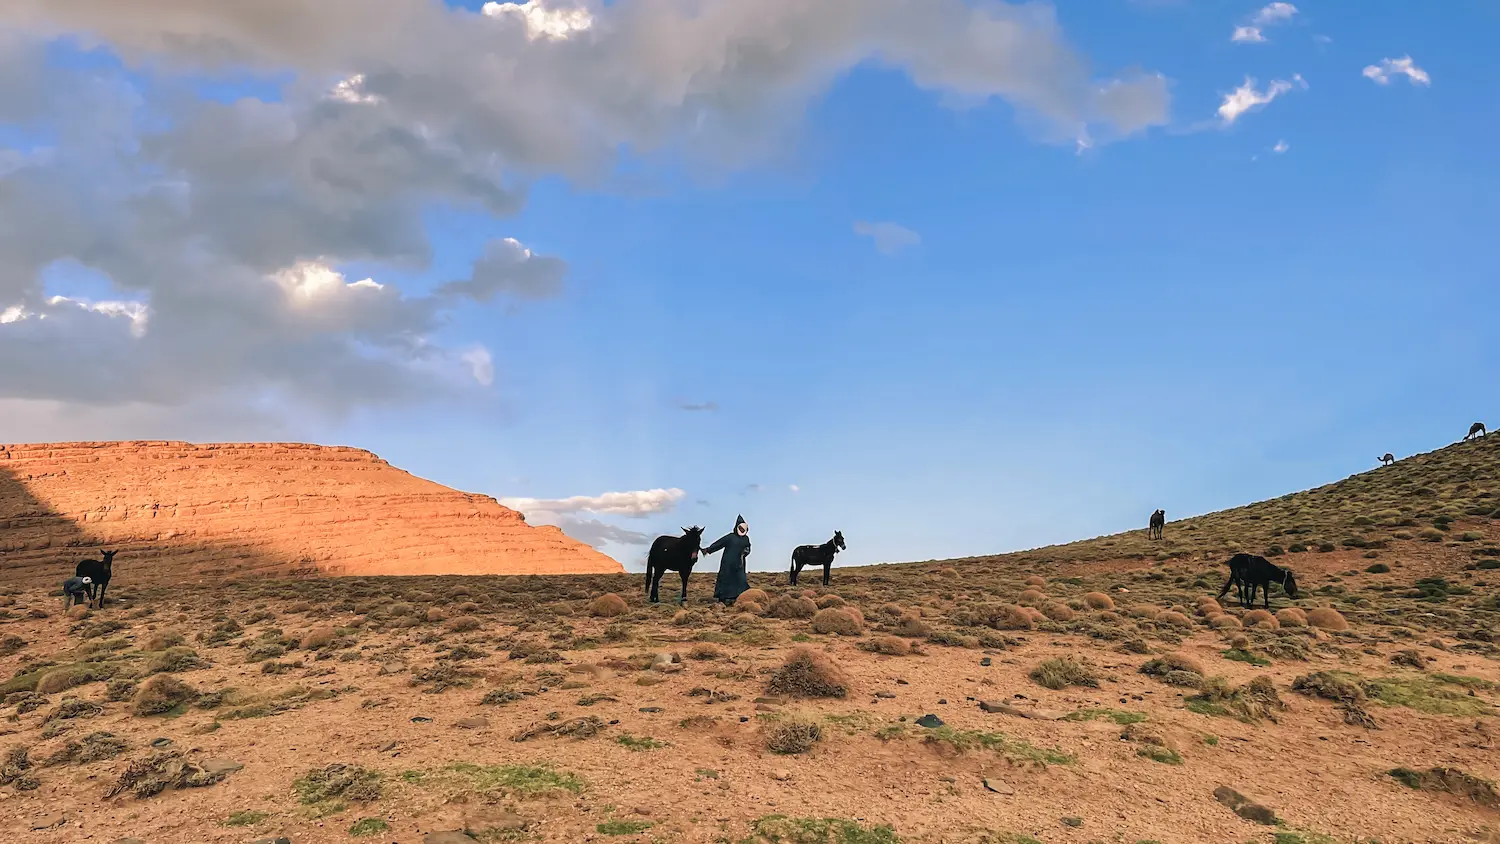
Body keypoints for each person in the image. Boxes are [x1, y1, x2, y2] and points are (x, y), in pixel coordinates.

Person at [704, 515, 751, 605]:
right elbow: (719, 543)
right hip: (728, 562)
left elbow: (748, 548)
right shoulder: (730, 537)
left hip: (739, 563)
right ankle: (722, 599)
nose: (742, 530)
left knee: (740, 580)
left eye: (743, 529)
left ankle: (737, 598)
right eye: (740, 528)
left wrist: (745, 552)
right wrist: (709, 549)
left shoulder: (746, 538)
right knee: (726, 578)